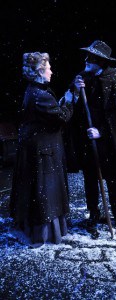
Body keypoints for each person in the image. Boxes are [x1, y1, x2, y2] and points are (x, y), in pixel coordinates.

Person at [68, 40, 116, 232]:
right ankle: (93, 212)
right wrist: (76, 91)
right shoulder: (82, 78)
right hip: (88, 139)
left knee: (114, 176)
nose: (86, 60)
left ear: (101, 60)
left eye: (91, 57)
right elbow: (74, 108)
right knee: (90, 177)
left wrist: (101, 131)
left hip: (111, 140)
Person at [10, 52, 74, 246]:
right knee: (45, 192)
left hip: (38, 148)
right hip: (44, 151)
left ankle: (32, 227)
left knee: (39, 191)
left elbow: (52, 112)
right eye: (48, 68)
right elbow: (61, 118)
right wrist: (71, 100)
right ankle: (44, 233)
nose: (52, 71)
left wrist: (64, 99)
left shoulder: (34, 90)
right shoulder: (40, 95)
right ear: (39, 71)